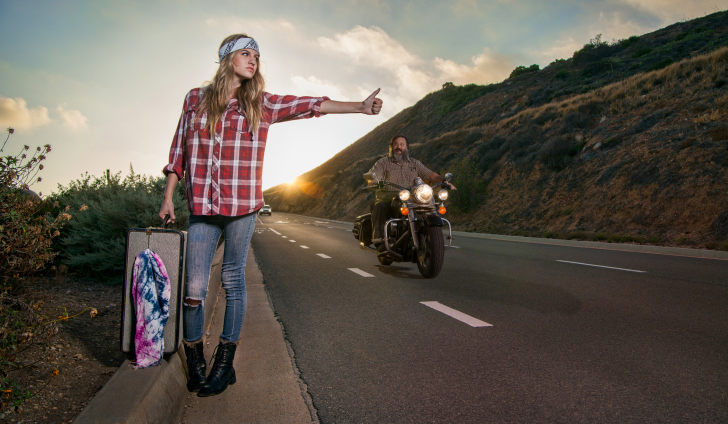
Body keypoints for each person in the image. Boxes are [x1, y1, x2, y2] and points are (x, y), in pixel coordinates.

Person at [158, 33, 382, 397]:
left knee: (233, 282)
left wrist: (359, 106)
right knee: (194, 290)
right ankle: (196, 359)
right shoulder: (195, 100)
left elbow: (309, 104)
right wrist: (168, 197)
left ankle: (224, 363)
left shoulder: (260, 104)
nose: (253, 61)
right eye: (246, 54)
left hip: (242, 207)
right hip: (202, 208)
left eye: (257, 56)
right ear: (227, 58)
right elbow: (177, 151)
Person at [367, 135, 454, 248]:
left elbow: (430, 174)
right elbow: (374, 174)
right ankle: (379, 240)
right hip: (390, 197)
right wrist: (373, 180)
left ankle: (430, 233)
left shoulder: (414, 163)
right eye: (396, 144)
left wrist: (444, 181)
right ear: (391, 147)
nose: (399, 147)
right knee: (380, 206)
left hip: (413, 197)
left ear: (406, 147)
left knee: (432, 204)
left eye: (402, 144)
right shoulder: (383, 163)